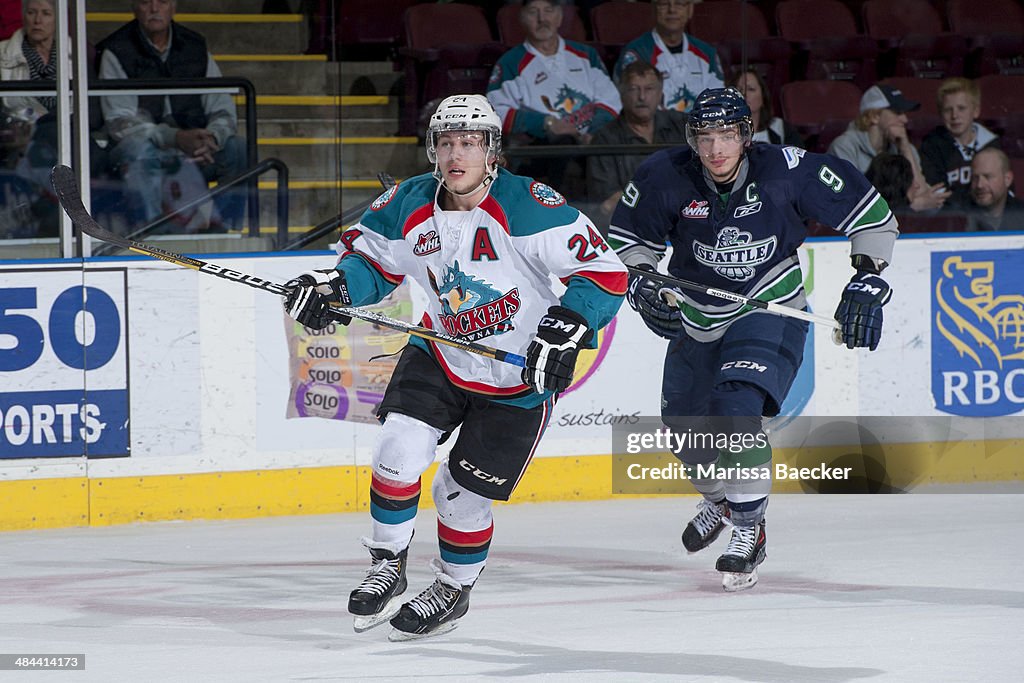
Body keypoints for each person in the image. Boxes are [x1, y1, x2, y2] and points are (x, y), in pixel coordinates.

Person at [283, 94, 626, 639]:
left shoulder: (530, 205)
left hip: (519, 379)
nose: (455, 153)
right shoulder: (408, 203)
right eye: (446, 142)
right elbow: (373, 263)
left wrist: (568, 325)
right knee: (398, 449)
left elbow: (604, 273)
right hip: (439, 352)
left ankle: (451, 588)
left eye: (468, 142)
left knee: (459, 494)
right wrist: (335, 287)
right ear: (432, 150)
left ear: (492, 152)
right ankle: (386, 564)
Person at [608, 87, 898, 591]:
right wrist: (641, 281)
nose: (716, 148)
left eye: (727, 135)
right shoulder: (664, 175)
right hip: (698, 316)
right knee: (684, 431)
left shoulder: (787, 169)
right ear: (691, 140)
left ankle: (749, 529)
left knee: (735, 407)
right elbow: (630, 244)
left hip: (769, 306)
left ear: (746, 135)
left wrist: (868, 276)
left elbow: (871, 216)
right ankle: (723, 501)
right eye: (705, 137)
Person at [97, 0, 246, 231]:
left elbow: (222, 108)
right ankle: (156, 236)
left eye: (163, 2)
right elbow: (120, 122)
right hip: (143, 150)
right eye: (146, 2)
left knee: (237, 148)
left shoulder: (195, 46)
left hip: (194, 149)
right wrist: (174, 138)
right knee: (139, 150)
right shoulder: (116, 50)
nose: (155, 9)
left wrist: (212, 138)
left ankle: (221, 230)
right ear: (134, 7)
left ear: (173, 8)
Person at [487, 0, 620, 193]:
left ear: (559, 17)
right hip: (545, 150)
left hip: (594, 140)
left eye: (548, 11)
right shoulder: (511, 63)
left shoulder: (585, 55)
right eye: (534, 12)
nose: (542, 19)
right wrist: (545, 123)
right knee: (564, 144)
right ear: (522, 18)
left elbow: (610, 99)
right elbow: (495, 112)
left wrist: (593, 132)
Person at [587, 60, 687, 228]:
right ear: (621, 94)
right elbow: (608, 203)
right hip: (632, 228)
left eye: (649, 89)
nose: (642, 97)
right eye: (634, 89)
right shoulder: (604, 139)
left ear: (660, 93)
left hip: (683, 222)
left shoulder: (681, 125)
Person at [829, 84, 949, 212]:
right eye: (897, 112)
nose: (905, 119)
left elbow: (924, 197)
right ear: (874, 116)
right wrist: (910, 206)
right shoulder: (844, 147)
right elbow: (851, 202)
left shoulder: (905, 147)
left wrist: (905, 149)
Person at [614, 0, 723, 113]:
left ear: (690, 10)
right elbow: (636, 105)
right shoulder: (637, 53)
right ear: (654, 9)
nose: (672, 10)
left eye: (679, 4)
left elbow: (719, 100)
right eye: (664, 4)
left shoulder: (707, 53)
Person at [921, 77, 1000, 211]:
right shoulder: (931, 147)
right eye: (948, 110)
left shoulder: (992, 145)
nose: (954, 116)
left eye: (961, 108)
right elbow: (938, 195)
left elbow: (1002, 191)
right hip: (949, 221)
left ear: (975, 111)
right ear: (941, 114)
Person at [730, 68, 803, 147]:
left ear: (763, 97)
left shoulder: (779, 127)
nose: (744, 94)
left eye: (751, 89)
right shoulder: (723, 130)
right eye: (739, 90)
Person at [967, 147, 1024, 231]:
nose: (980, 185)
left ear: (1007, 179)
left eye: (988, 177)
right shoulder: (957, 215)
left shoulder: (1021, 213)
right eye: (975, 178)